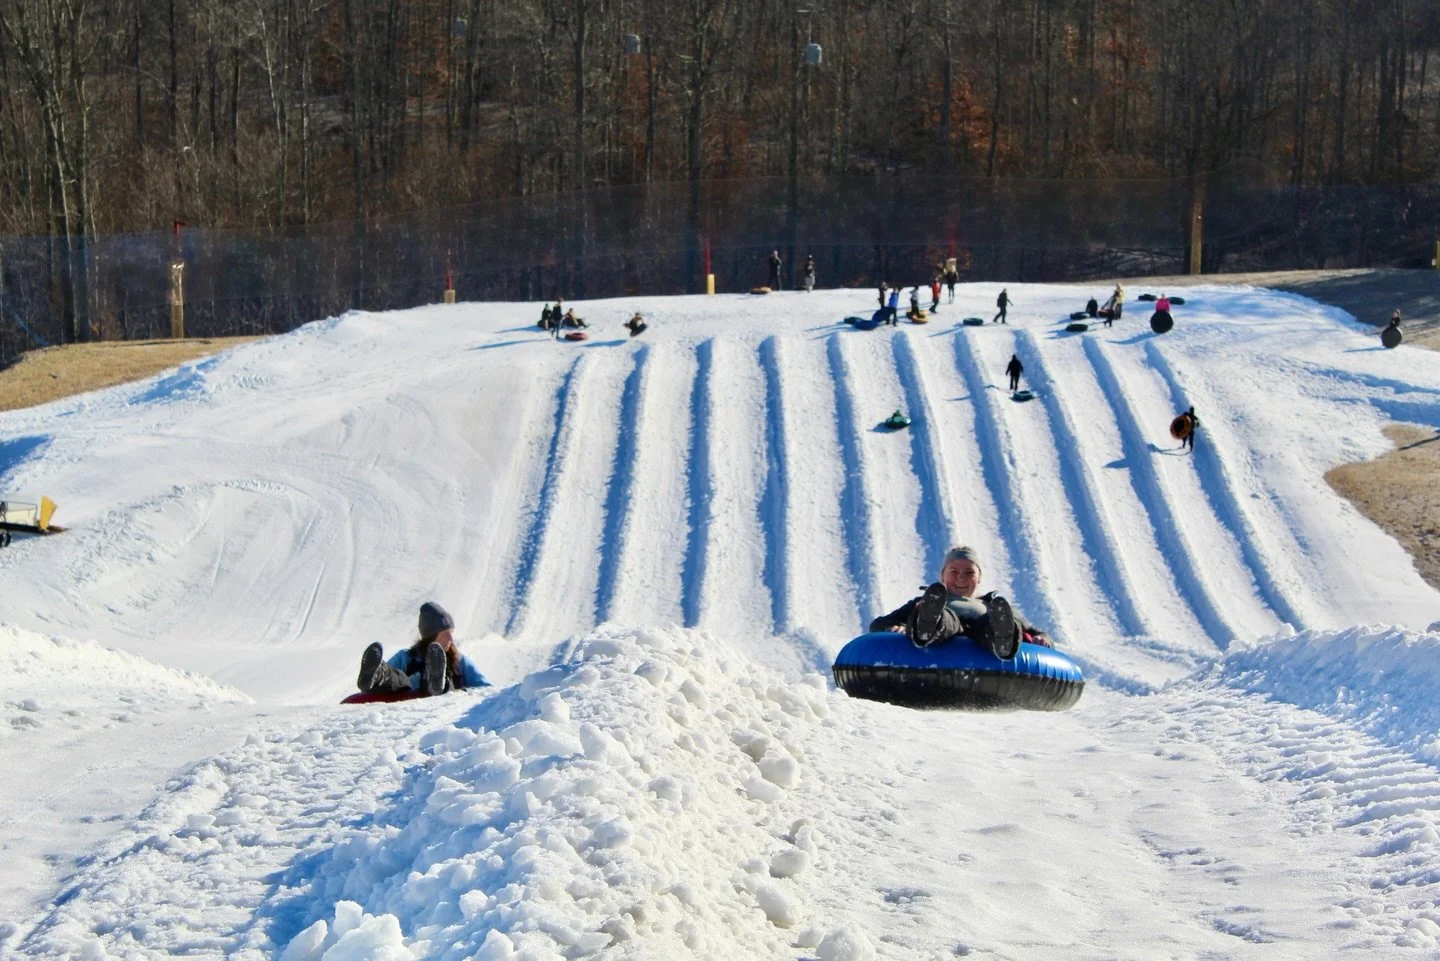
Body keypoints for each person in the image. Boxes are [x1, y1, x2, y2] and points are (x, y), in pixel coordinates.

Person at [868, 547, 1051, 658]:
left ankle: (1002, 638)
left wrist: (1043, 640)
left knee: (993, 621)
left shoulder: (993, 605)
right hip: (946, 625)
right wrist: (898, 627)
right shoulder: (929, 600)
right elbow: (878, 624)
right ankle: (927, 626)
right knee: (946, 618)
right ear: (942, 575)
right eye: (954, 572)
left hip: (985, 629)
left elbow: (1038, 633)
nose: (961, 578)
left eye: (969, 573)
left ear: (979, 577)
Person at [356, 602, 491, 697]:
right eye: (445, 634)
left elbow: (486, 690)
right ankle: (377, 675)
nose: (451, 638)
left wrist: (461, 693)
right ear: (431, 636)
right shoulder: (407, 657)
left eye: (451, 632)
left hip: (443, 695)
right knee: (398, 679)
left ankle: (436, 682)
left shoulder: (459, 661)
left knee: (444, 681)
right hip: (407, 693)